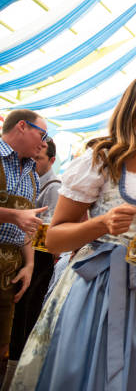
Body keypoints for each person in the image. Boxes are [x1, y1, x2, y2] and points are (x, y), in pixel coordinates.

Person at [9, 73, 136, 391]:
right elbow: (52, 238)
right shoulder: (101, 160)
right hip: (96, 290)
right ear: (128, 109)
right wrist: (101, 224)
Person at [3, 139, 60, 389]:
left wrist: (29, 263)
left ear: (51, 161)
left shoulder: (47, 183)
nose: (35, 160)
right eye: (34, 156)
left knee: (17, 323)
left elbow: (42, 232)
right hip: (28, 255)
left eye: (40, 157)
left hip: (33, 258)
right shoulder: (26, 175)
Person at [0, 109, 48, 387]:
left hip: (11, 273)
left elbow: (28, 227)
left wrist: (29, 265)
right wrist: (13, 215)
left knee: (2, 345)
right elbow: (20, 218)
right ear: (21, 126)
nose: (43, 143)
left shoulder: (33, 175)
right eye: (42, 135)